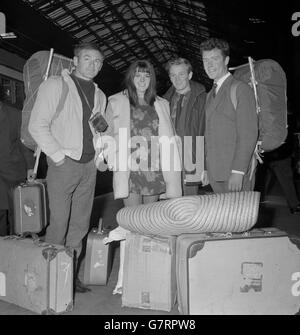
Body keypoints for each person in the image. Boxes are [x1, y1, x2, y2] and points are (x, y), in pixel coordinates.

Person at [98, 59, 182, 294]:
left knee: (151, 226)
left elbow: (170, 138)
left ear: (152, 79)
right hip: (130, 171)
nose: (142, 80)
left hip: (154, 171)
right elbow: (106, 134)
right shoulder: (115, 101)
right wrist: (110, 154)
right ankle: (125, 280)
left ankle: (150, 275)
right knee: (130, 225)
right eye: (138, 75)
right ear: (130, 78)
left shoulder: (162, 103)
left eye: (147, 76)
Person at [28, 42, 107, 293]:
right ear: (75, 60)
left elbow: (100, 129)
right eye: (87, 59)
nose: (93, 65)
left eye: (98, 61)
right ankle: (50, 278)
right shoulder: (55, 85)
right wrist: (59, 158)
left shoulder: (99, 94)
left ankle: (68, 275)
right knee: (59, 223)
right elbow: (37, 125)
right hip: (65, 165)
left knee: (80, 224)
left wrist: (102, 153)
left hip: (89, 166)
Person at [200, 37, 258, 193]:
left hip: (235, 173)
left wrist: (238, 171)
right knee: (223, 217)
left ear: (226, 60)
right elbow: (208, 134)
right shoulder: (209, 94)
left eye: (214, 59)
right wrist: (205, 168)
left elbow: (248, 133)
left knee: (240, 216)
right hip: (215, 172)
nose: (209, 64)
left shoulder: (240, 89)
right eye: (205, 60)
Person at [164, 58, 206, 195]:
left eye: (181, 74)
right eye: (173, 75)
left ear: (190, 75)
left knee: (190, 200)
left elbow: (207, 132)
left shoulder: (202, 98)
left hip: (192, 156)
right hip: (170, 157)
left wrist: (205, 165)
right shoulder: (164, 101)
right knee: (172, 201)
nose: (177, 79)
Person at [0, 85, 34, 236]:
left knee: (18, 217)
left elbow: (24, 144)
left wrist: (30, 167)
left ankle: (18, 248)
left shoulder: (14, 115)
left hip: (13, 174)